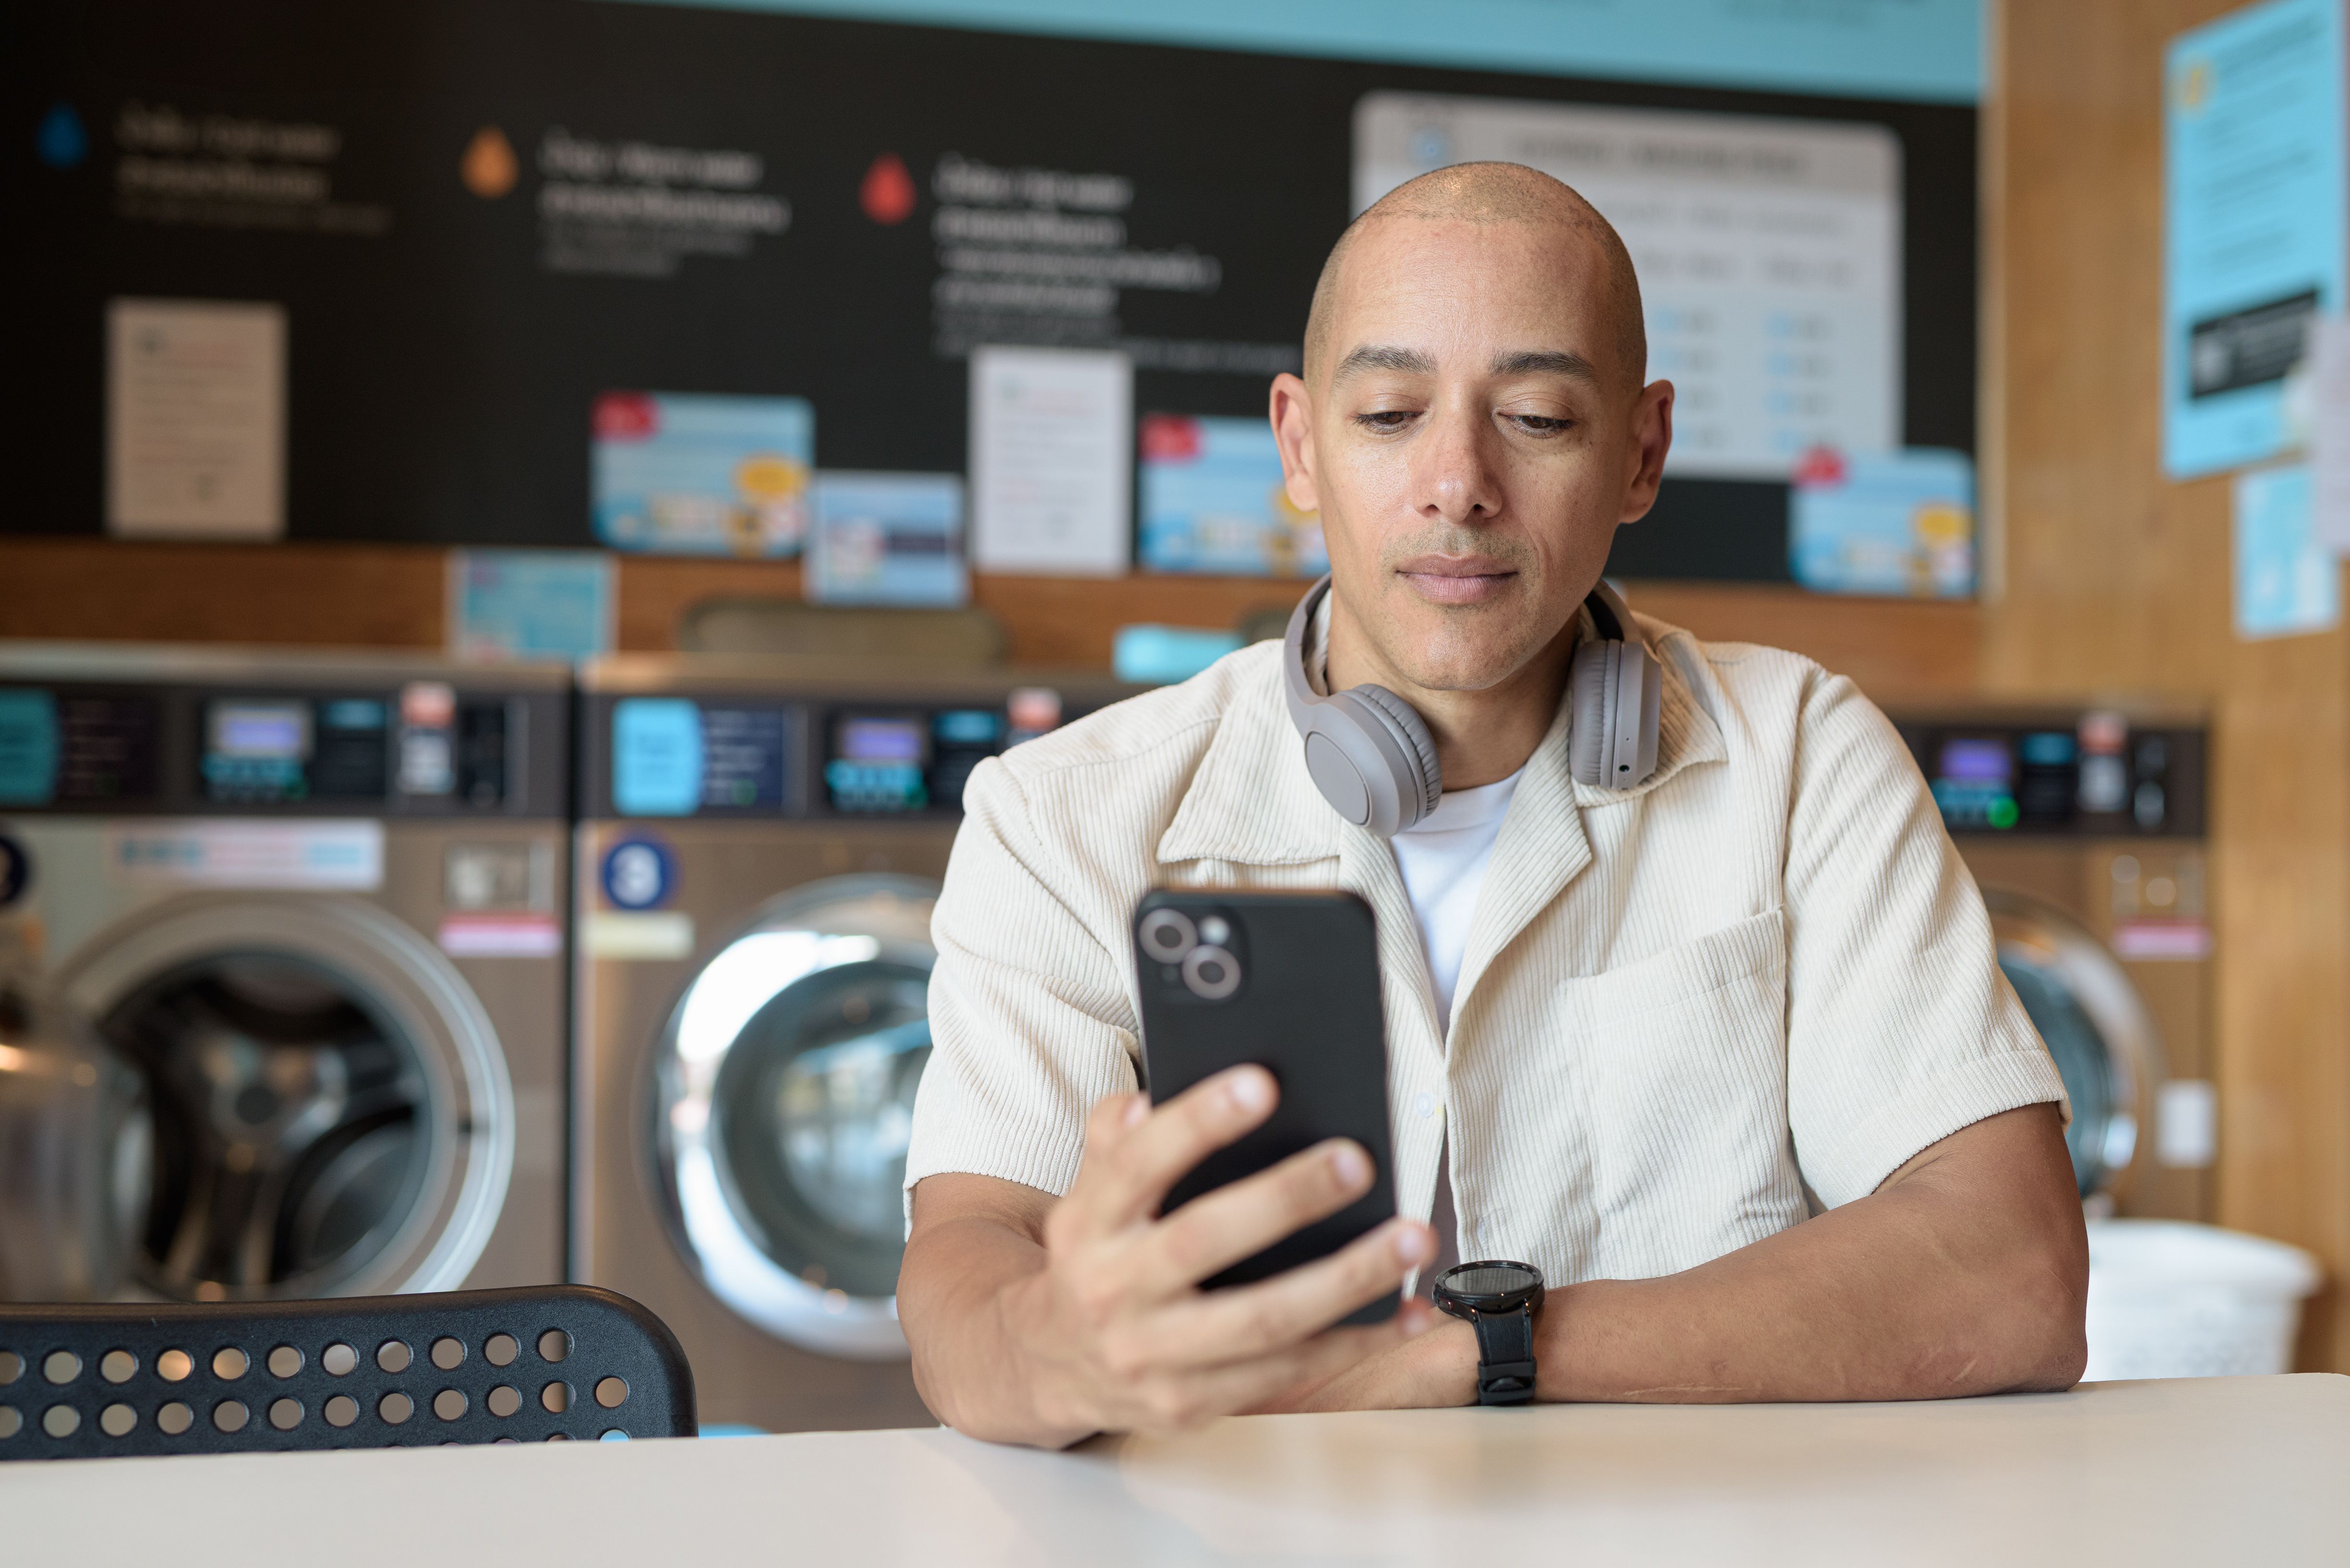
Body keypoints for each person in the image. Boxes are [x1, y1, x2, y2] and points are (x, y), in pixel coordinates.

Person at [898, 162, 2086, 1448]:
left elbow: (2014, 1272)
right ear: (1301, 446)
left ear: (1642, 454)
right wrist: (1051, 1348)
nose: (1457, 483)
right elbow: (969, 1256)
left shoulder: (1803, 759)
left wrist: (1477, 1354)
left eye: (1536, 418)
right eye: (1393, 411)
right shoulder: (1062, 815)